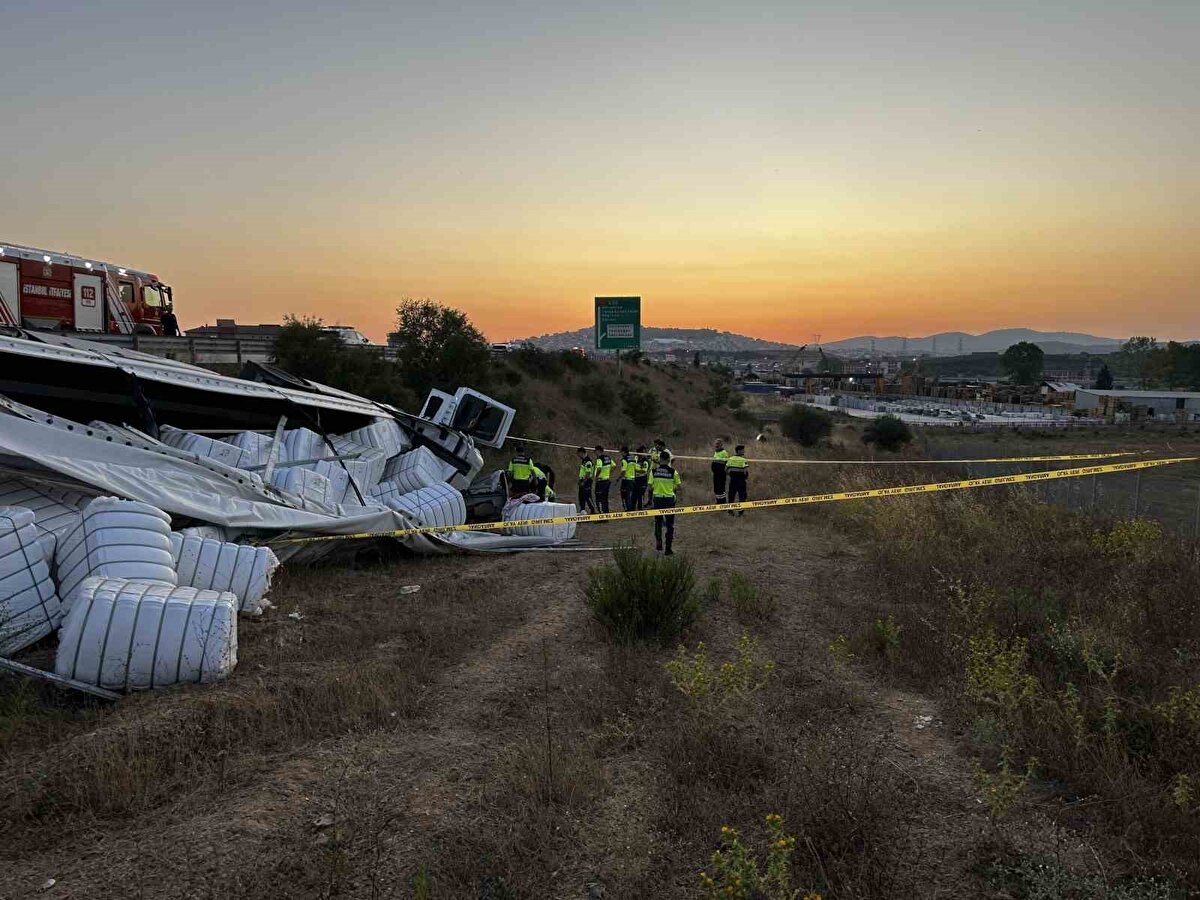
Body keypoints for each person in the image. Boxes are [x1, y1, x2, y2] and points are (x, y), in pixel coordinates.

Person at [648, 449, 682, 555]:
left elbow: (649, 487)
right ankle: (668, 548)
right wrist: (671, 489)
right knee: (670, 524)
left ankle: (659, 543)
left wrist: (656, 488)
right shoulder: (673, 472)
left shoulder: (653, 471)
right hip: (669, 499)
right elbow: (678, 486)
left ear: (659, 459)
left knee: (658, 522)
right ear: (668, 460)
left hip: (657, 498)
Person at [726, 444, 749, 516]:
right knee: (742, 495)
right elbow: (745, 470)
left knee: (731, 495)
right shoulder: (743, 460)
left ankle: (730, 510)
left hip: (733, 479)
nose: (744, 451)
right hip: (741, 480)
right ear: (739, 451)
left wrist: (731, 475)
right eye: (743, 450)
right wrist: (745, 477)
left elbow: (726, 469)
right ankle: (740, 511)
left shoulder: (731, 459)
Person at [593, 444, 614, 513]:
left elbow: (599, 469)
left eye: (595, 451)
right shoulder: (608, 457)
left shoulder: (599, 459)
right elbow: (614, 465)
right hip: (607, 480)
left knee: (599, 499)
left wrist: (596, 477)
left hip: (600, 481)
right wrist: (608, 472)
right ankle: (606, 514)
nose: (594, 452)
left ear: (598, 451)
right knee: (605, 498)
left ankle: (601, 516)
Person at [576, 447, 596, 513]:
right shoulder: (584, 460)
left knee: (588, 496)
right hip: (582, 480)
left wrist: (583, 482)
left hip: (587, 481)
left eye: (578, 454)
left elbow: (588, 473)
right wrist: (580, 480)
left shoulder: (588, 461)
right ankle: (582, 510)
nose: (578, 455)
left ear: (581, 453)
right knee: (581, 496)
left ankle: (593, 510)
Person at [619, 445, 637, 511]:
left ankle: (628, 510)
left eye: (621, 452)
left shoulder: (624, 460)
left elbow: (623, 471)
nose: (621, 454)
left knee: (625, 496)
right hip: (632, 479)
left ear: (624, 452)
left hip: (626, 480)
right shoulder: (633, 458)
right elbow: (636, 468)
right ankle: (631, 509)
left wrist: (618, 478)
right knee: (630, 495)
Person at [711, 438, 729, 504]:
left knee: (721, 488)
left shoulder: (724, 452)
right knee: (716, 488)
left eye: (718, 444)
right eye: (716, 443)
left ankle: (723, 502)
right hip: (716, 473)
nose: (716, 445)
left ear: (721, 444)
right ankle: (718, 501)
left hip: (721, 474)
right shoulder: (716, 452)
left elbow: (726, 463)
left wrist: (724, 471)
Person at [633, 445, 651, 510]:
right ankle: (632, 508)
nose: (643, 454)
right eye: (641, 452)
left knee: (640, 494)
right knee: (634, 494)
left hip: (642, 479)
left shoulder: (645, 461)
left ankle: (640, 509)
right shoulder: (636, 458)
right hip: (636, 478)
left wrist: (635, 470)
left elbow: (644, 471)